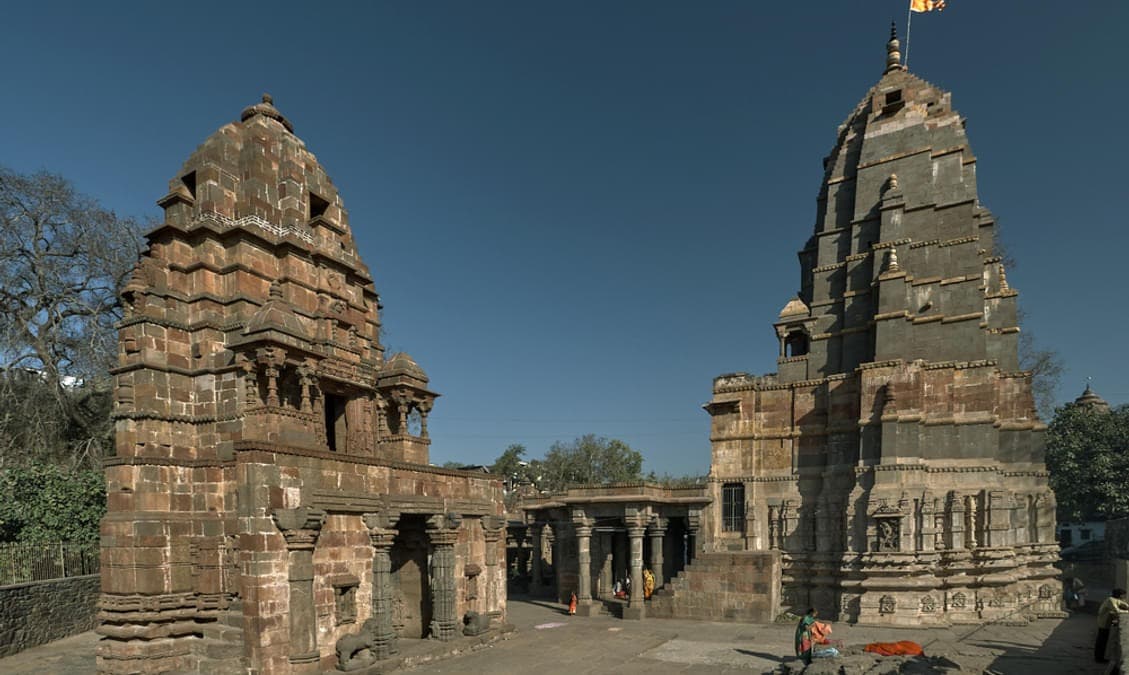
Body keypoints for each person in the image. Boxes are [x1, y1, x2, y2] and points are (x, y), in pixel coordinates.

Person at [1095, 588, 1128, 663]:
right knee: (1101, 641)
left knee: (1103, 640)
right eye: (1123, 595)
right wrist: (1126, 611)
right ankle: (1099, 658)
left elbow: (1124, 605)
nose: (1124, 596)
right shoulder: (1110, 600)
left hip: (1107, 623)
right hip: (1103, 623)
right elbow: (1117, 611)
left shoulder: (1115, 600)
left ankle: (1100, 657)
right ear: (1120, 595)